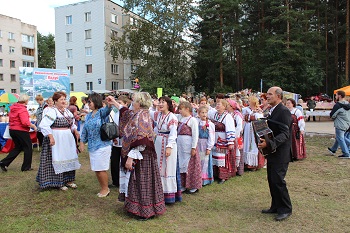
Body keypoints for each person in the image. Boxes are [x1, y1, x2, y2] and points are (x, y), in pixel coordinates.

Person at [109, 92, 166, 220]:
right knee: (138, 182)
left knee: (141, 181)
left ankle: (144, 211)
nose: (132, 103)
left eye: (134, 101)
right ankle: (141, 208)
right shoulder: (139, 114)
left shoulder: (142, 117)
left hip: (141, 155)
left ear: (139, 103)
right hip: (140, 154)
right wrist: (114, 102)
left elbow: (142, 139)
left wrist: (130, 157)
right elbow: (126, 113)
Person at [258, 86, 293, 221]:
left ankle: (285, 209)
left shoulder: (283, 111)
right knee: (272, 180)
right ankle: (275, 206)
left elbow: (285, 134)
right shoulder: (272, 110)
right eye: (267, 94)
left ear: (278, 96)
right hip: (272, 151)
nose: (267, 96)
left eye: (270, 94)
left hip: (281, 153)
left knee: (278, 181)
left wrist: (269, 143)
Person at [36, 91, 81, 190]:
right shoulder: (52, 111)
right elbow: (44, 125)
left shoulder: (67, 112)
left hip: (67, 139)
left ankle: (69, 180)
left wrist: (75, 130)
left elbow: (72, 124)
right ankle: (59, 182)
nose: (64, 101)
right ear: (55, 101)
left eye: (65, 99)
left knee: (69, 157)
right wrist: (51, 137)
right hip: (57, 139)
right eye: (61, 99)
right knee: (58, 158)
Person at [80, 93, 113, 197]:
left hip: (102, 144)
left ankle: (105, 189)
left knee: (101, 168)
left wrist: (109, 103)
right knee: (96, 168)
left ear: (96, 101)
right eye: (88, 101)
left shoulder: (101, 112)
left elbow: (108, 109)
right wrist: (82, 142)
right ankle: (103, 187)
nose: (88, 103)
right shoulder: (89, 115)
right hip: (92, 146)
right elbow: (85, 130)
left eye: (90, 101)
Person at [150, 96, 182, 203]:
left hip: (168, 143)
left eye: (163, 102)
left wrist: (169, 147)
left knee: (167, 168)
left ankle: (169, 195)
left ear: (168, 104)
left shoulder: (172, 117)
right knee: (159, 166)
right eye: (159, 102)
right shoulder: (157, 115)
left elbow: (173, 133)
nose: (160, 104)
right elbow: (147, 111)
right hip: (158, 143)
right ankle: (159, 192)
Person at [0, 94, 37, 172]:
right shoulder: (22, 109)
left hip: (12, 129)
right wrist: (33, 125)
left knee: (18, 147)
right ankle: (26, 167)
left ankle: (4, 162)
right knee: (28, 147)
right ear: (26, 101)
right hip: (21, 130)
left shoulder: (13, 108)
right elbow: (24, 122)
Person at [208, 99, 236, 184]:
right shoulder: (215, 114)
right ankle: (215, 174)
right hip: (215, 138)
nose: (217, 105)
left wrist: (230, 141)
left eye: (219, 104)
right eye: (217, 104)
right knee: (214, 156)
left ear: (224, 106)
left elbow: (230, 128)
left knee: (222, 157)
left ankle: (223, 176)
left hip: (223, 139)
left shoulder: (227, 116)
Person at [176, 101, 201, 194]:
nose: (179, 111)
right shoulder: (179, 118)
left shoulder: (192, 120)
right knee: (181, 164)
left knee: (189, 165)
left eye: (181, 109)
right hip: (180, 145)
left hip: (188, 144)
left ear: (187, 109)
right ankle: (182, 184)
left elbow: (195, 134)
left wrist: (193, 147)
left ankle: (192, 185)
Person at [110, 95, 130, 188]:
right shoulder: (115, 112)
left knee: (124, 161)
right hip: (115, 140)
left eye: (120, 103)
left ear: (126, 104)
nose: (118, 105)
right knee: (114, 161)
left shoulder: (127, 113)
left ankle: (125, 180)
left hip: (124, 142)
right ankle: (115, 181)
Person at [242, 96, 264, 170]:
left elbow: (261, 119)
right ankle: (246, 163)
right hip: (248, 128)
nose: (248, 102)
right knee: (247, 144)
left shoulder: (259, 109)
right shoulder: (245, 109)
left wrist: (256, 114)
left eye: (249, 101)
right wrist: (251, 115)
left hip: (255, 128)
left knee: (254, 144)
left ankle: (254, 164)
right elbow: (244, 118)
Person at [328, 90, 350, 158]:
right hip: (347, 124)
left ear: (339, 96)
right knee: (339, 137)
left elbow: (332, 115)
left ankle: (346, 153)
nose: (335, 96)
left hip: (340, 124)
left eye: (336, 95)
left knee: (341, 138)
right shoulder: (348, 104)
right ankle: (333, 149)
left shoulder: (338, 105)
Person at [196, 105, 215, 185]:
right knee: (199, 160)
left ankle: (205, 179)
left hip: (205, 144)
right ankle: (198, 177)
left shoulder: (210, 124)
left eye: (205, 112)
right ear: (199, 114)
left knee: (205, 161)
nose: (204, 114)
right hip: (198, 143)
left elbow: (211, 136)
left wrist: (209, 147)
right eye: (202, 113)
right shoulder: (197, 122)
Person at [227, 99, 244, 175]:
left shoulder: (237, 114)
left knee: (238, 152)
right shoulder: (229, 113)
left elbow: (239, 126)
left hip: (236, 136)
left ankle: (239, 170)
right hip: (231, 135)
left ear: (231, 106)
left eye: (227, 105)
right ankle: (232, 168)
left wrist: (234, 136)